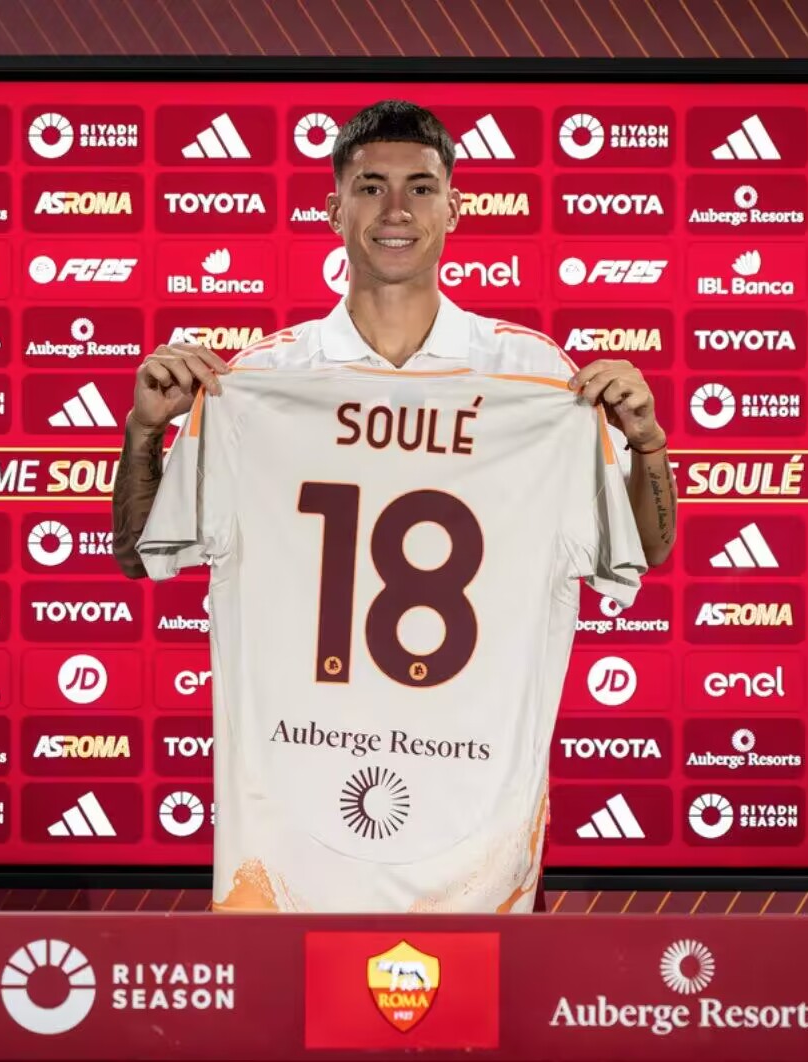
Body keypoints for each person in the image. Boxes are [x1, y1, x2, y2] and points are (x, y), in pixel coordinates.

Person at [113, 100, 676, 911]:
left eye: (421, 187)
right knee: (282, 989)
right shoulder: (259, 383)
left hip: (474, 837)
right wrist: (144, 432)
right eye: (371, 187)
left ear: (455, 207)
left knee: (475, 993)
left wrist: (648, 443)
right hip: (292, 836)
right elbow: (140, 552)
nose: (397, 210)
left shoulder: (535, 378)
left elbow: (643, 552)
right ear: (333, 208)